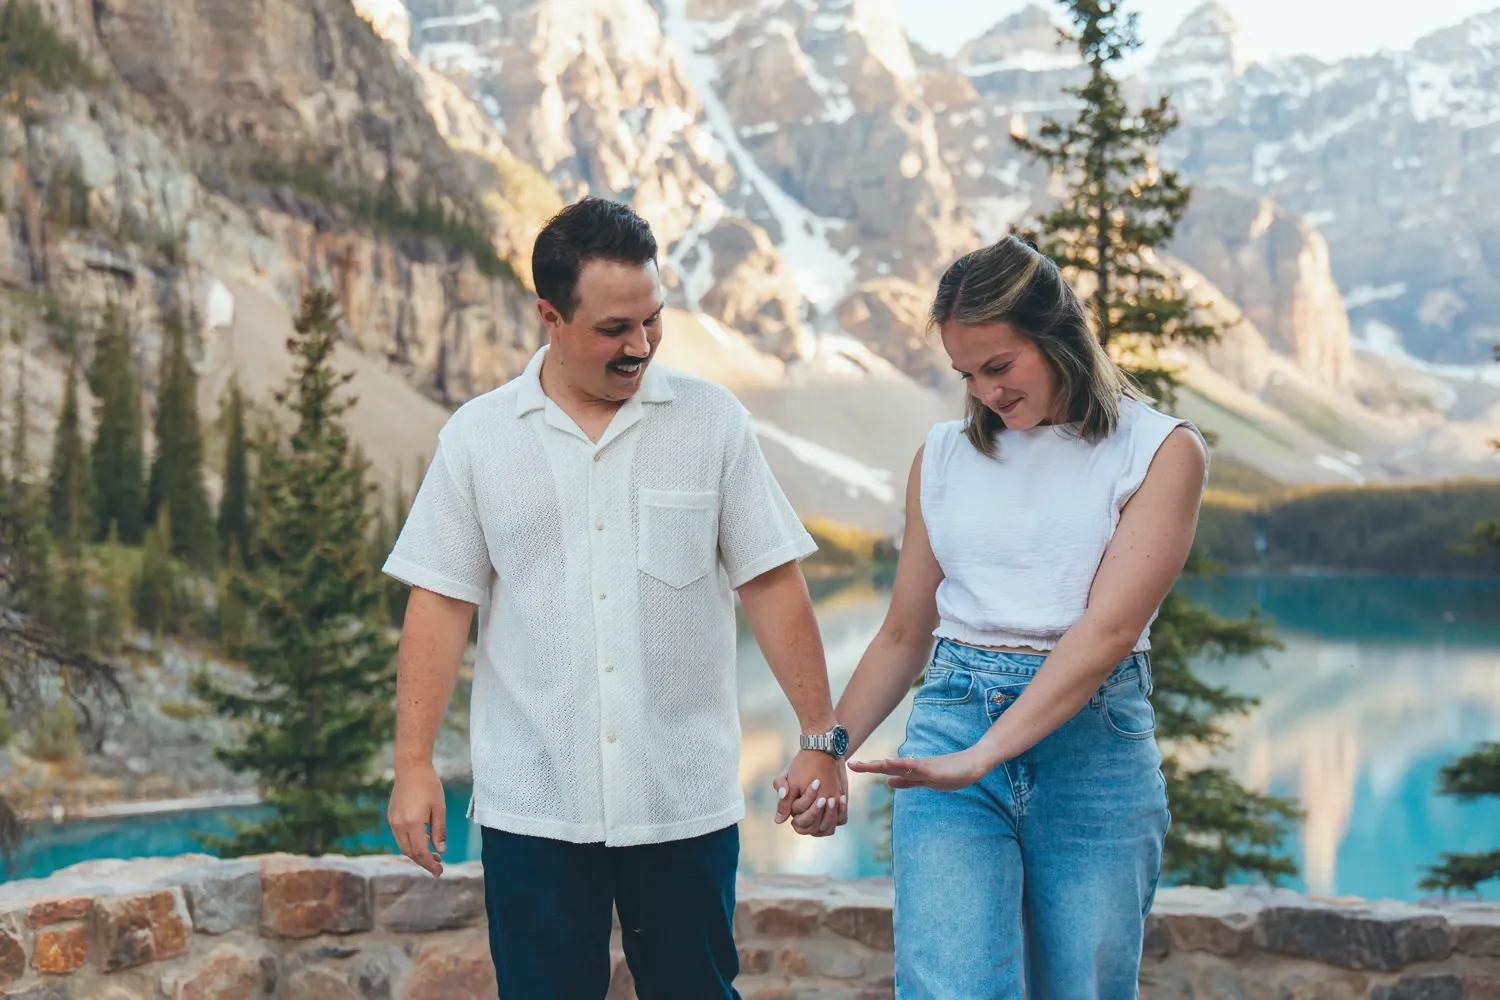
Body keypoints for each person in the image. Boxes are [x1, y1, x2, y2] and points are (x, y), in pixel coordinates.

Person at [383, 197, 849, 999]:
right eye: (612, 330)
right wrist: (413, 763)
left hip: (682, 804)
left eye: (653, 321)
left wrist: (821, 737)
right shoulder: (478, 438)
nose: (639, 346)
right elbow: (439, 605)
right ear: (550, 317)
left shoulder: (714, 424)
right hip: (533, 809)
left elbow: (771, 584)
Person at [780, 235, 1208, 998]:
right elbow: (905, 634)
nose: (984, 393)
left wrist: (989, 752)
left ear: (1058, 335)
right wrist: (827, 746)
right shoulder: (943, 456)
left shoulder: (1160, 450)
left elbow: (1105, 634)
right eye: (966, 375)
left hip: (1094, 746)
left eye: (1000, 366)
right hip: (951, 723)